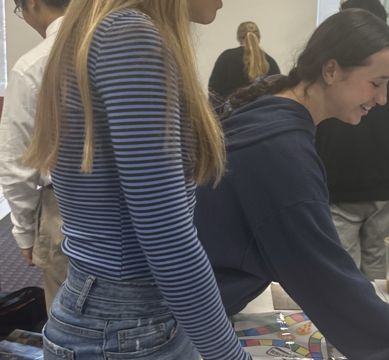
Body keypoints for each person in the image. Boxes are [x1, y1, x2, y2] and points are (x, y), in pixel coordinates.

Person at [195, 9, 389, 360]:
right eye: (376, 83)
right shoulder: (281, 151)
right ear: (331, 70)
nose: (382, 99)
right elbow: (325, 277)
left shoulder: (268, 105)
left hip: (196, 303)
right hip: (179, 317)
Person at [22, 1, 251, 359]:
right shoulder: (129, 36)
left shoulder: (107, 31)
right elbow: (165, 236)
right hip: (125, 324)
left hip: (124, 316)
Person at [315, 0, 389, 280]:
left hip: (338, 181)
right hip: (388, 184)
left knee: (340, 273)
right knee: (381, 275)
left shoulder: (333, 63)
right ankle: (379, 323)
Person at [0, 0, 70, 313]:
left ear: (32, 4)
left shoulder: (33, 65)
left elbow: (16, 163)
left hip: (65, 210)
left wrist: (24, 231)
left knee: (68, 313)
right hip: (144, 208)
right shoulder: (126, 49)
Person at [208, 21, 280, 100]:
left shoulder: (226, 57)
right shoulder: (270, 62)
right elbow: (279, 94)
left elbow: (213, 92)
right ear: (259, 38)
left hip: (232, 111)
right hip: (263, 111)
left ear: (239, 38)